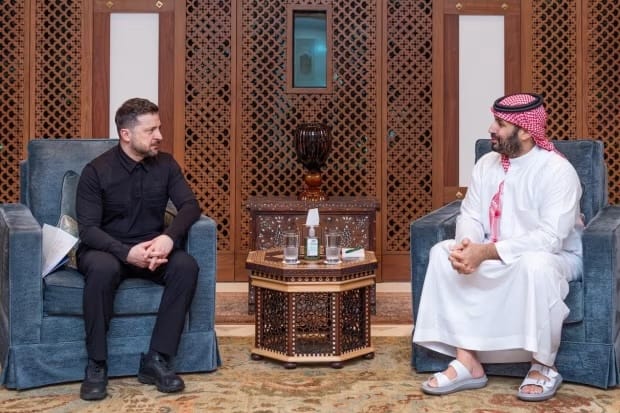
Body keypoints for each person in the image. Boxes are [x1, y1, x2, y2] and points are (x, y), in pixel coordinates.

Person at [412, 93, 583, 402]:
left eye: (500, 124)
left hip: (552, 257)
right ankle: (468, 361)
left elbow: (549, 239)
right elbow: (470, 215)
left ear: (526, 131)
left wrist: (486, 253)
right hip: (491, 252)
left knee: (535, 265)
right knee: (442, 253)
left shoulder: (558, 171)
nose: (491, 129)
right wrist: (468, 247)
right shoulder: (486, 165)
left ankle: (543, 366)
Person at [76, 98, 202, 401]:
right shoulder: (96, 171)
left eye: (159, 128)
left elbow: (190, 206)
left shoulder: (166, 165)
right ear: (126, 134)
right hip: (107, 250)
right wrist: (125, 253)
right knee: (102, 269)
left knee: (186, 266)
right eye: (150, 130)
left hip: (152, 250)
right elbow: (88, 230)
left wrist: (168, 239)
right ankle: (97, 364)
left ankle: (156, 359)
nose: (159, 136)